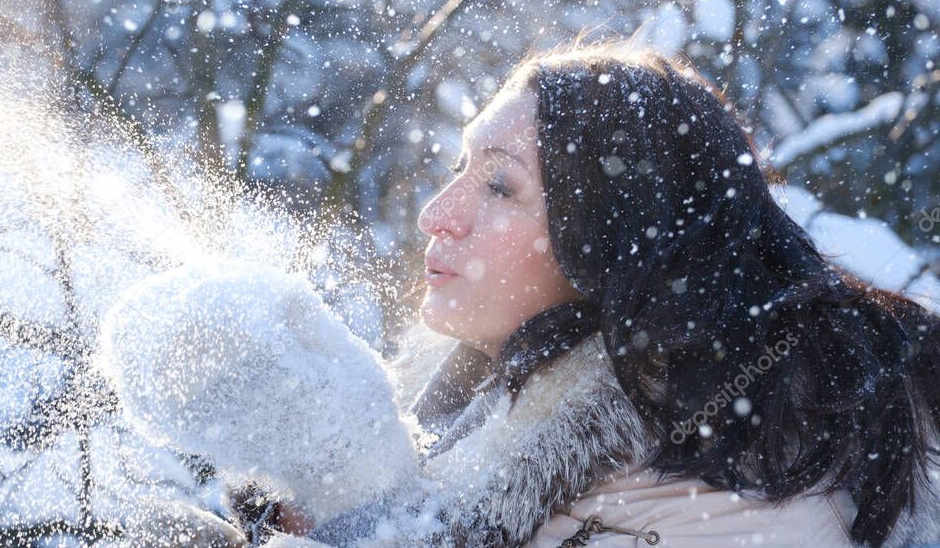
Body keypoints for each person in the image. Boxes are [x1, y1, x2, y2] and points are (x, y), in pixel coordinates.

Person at [229, 36, 940, 548]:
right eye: (458, 166)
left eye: (500, 184)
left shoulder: (712, 485)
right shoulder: (501, 391)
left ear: (613, 242)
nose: (436, 213)